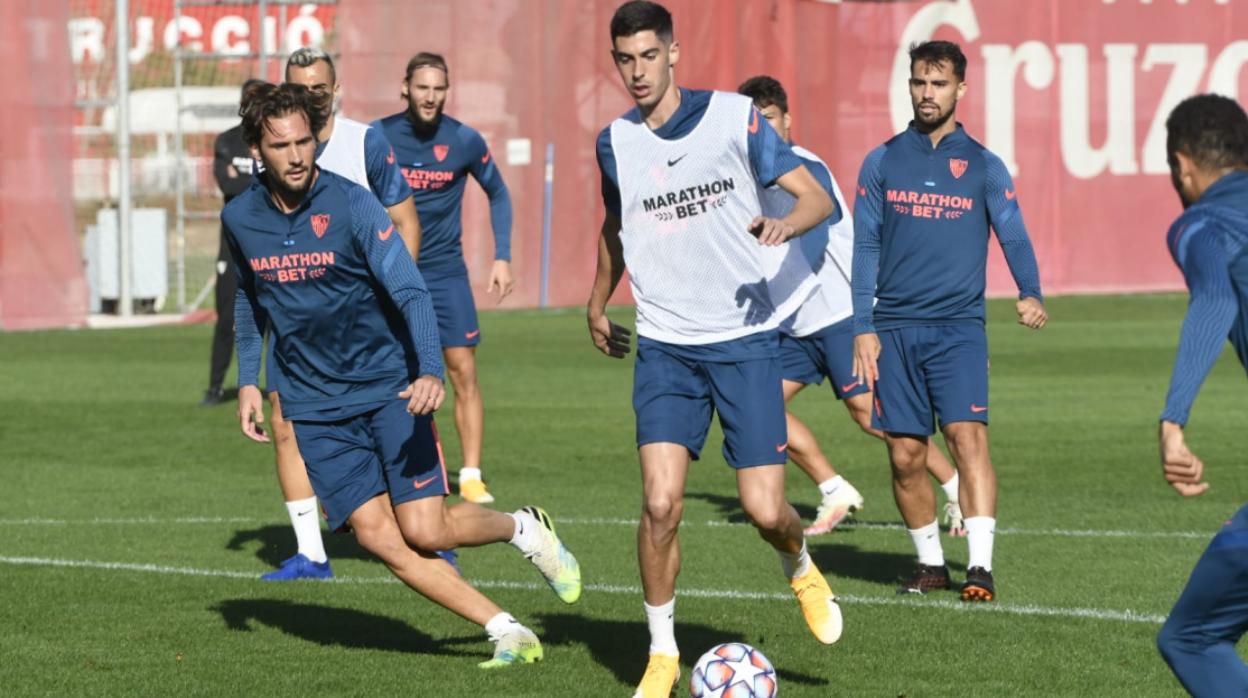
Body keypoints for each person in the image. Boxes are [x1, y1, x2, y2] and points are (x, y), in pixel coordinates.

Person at [225, 81, 581, 669]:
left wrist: (430, 370)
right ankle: (507, 630)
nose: (296, 155)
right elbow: (248, 298)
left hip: (389, 389)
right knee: (378, 538)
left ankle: (524, 529)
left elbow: (412, 291)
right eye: (282, 145)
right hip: (314, 407)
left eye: (305, 141)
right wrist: (246, 378)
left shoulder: (352, 204)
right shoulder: (240, 217)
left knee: (426, 529)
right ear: (258, 149)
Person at [587, 4, 843, 696]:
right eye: (625, 60)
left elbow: (819, 200)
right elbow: (617, 227)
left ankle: (799, 565)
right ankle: (663, 652)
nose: (637, 72)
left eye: (648, 56)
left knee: (766, 510)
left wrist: (785, 224)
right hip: (666, 347)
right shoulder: (614, 141)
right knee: (661, 504)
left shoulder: (735, 119)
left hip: (744, 343)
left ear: (674, 51)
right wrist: (596, 300)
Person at [851, 40, 1047, 602]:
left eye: (938, 84)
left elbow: (1012, 231)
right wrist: (863, 323)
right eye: (918, 82)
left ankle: (980, 568)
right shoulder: (883, 160)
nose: (926, 93)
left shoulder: (984, 165)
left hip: (959, 328)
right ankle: (931, 564)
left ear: (961, 89)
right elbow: (865, 245)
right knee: (905, 454)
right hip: (893, 329)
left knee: (967, 437)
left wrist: (1029, 291)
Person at [737, 75, 964, 536]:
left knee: (874, 416)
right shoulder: (745, 179)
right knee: (755, 406)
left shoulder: (803, 165)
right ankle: (833, 488)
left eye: (770, 119)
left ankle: (957, 486)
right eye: (753, 124)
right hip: (795, 324)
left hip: (840, 314)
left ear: (787, 120)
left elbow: (819, 213)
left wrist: (785, 226)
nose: (762, 130)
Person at [257, 47, 425, 580]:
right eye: (297, 88)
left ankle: (426, 531)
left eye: (318, 88)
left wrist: (397, 295)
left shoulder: (363, 141)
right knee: (283, 421)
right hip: (299, 323)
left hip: (368, 326)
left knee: (390, 420)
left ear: (336, 89)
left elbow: (405, 222)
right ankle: (311, 553)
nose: (308, 96)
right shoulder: (274, 150)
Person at [373, 52, 515, 505]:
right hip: (392, 272)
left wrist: (503, 256)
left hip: (446, 274)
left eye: (439, 88)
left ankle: (470, 475)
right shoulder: (377, 137)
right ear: (405, 88)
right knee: (392, 373)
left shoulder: (464, 140)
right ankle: (392, 471)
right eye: (422, 87)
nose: (430, 97)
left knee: (463, 371)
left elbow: (499, 192)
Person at [1153, 93, 1248, 698]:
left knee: (1190, 637)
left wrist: (1173, 420)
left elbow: (1215, 298)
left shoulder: (1202, 223)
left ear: (1184, 166)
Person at [202, 79, 266, 407]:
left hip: (268, 242)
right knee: (226, 317)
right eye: (249, 101)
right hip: (232, 244)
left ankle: (276, 386)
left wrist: (249, 182)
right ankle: (215, 387)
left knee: (278, 317)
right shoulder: (227, 140)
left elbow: (273, 185)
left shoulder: (275, 141)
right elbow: (228, 183)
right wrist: (255, 182)